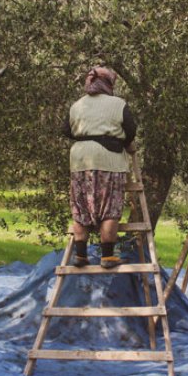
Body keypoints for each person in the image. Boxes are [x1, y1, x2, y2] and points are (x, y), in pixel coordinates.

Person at [63, 66, 137, 269]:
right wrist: (122, 141)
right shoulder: (118, 104)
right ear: (109, 83)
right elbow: (131, 130)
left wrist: (87, 135)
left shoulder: (76, 105)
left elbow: (66, 130)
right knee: (110, 208)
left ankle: (80, 254)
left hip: (79, 161)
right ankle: (107, 256)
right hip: (109, 161)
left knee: (80, 206)